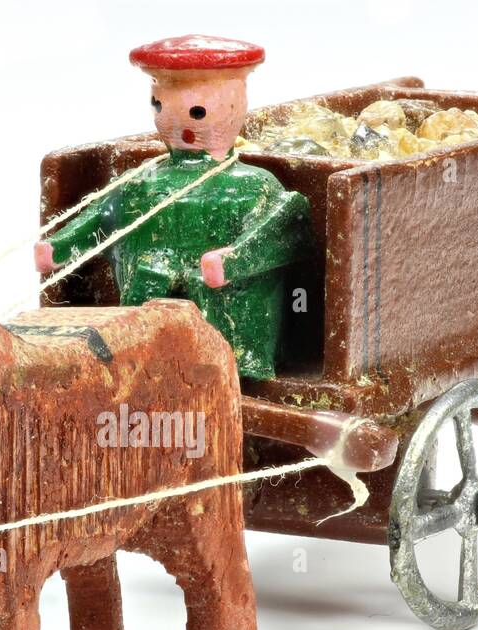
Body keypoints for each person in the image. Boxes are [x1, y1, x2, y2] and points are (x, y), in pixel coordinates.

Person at [35, 35, 313, 380]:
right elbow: (103, 219)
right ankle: (134, 360)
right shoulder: (141, 181)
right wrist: (60, 247)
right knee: (146, 294)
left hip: (225, 323)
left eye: (197, 111)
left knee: (216, 337)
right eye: (159, 106)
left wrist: (231, 261)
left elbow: (288, 229)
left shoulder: (252, 185)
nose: (175, 121)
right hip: (145, 309)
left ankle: (224, 364)